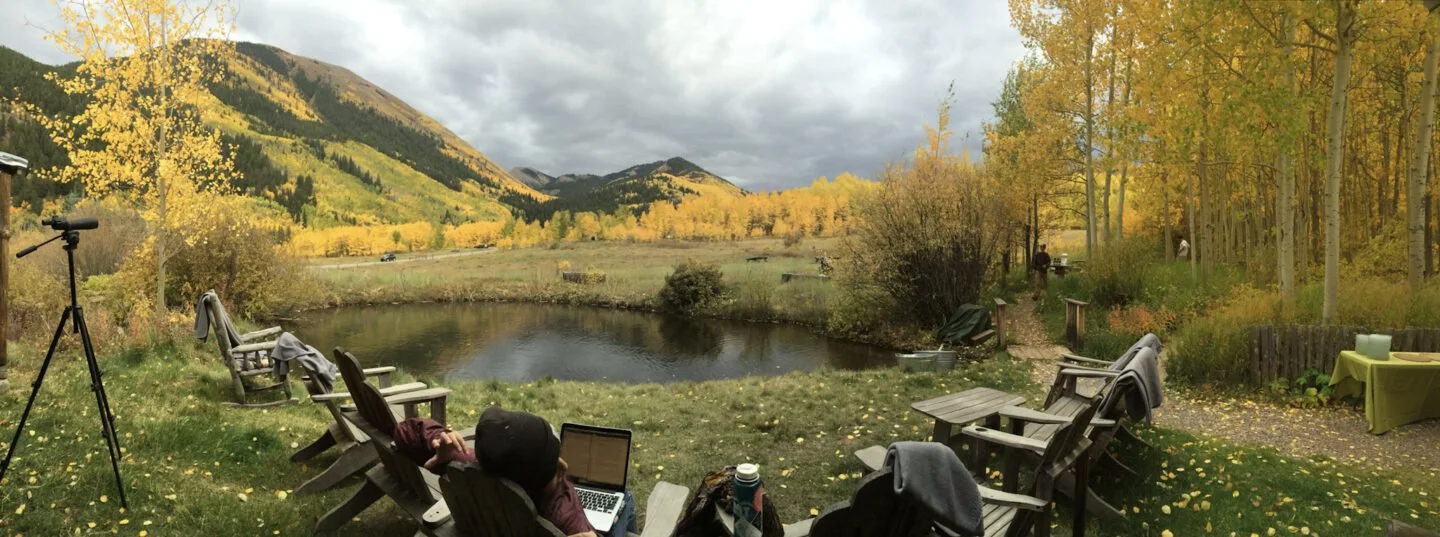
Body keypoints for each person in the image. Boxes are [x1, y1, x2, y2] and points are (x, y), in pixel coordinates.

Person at [394, 407, 637, 537]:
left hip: (490, 523)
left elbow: (403, 431)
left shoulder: (472, 469)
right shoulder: (565, 515)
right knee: (625, 499)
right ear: (556, 466)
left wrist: (438, 439)